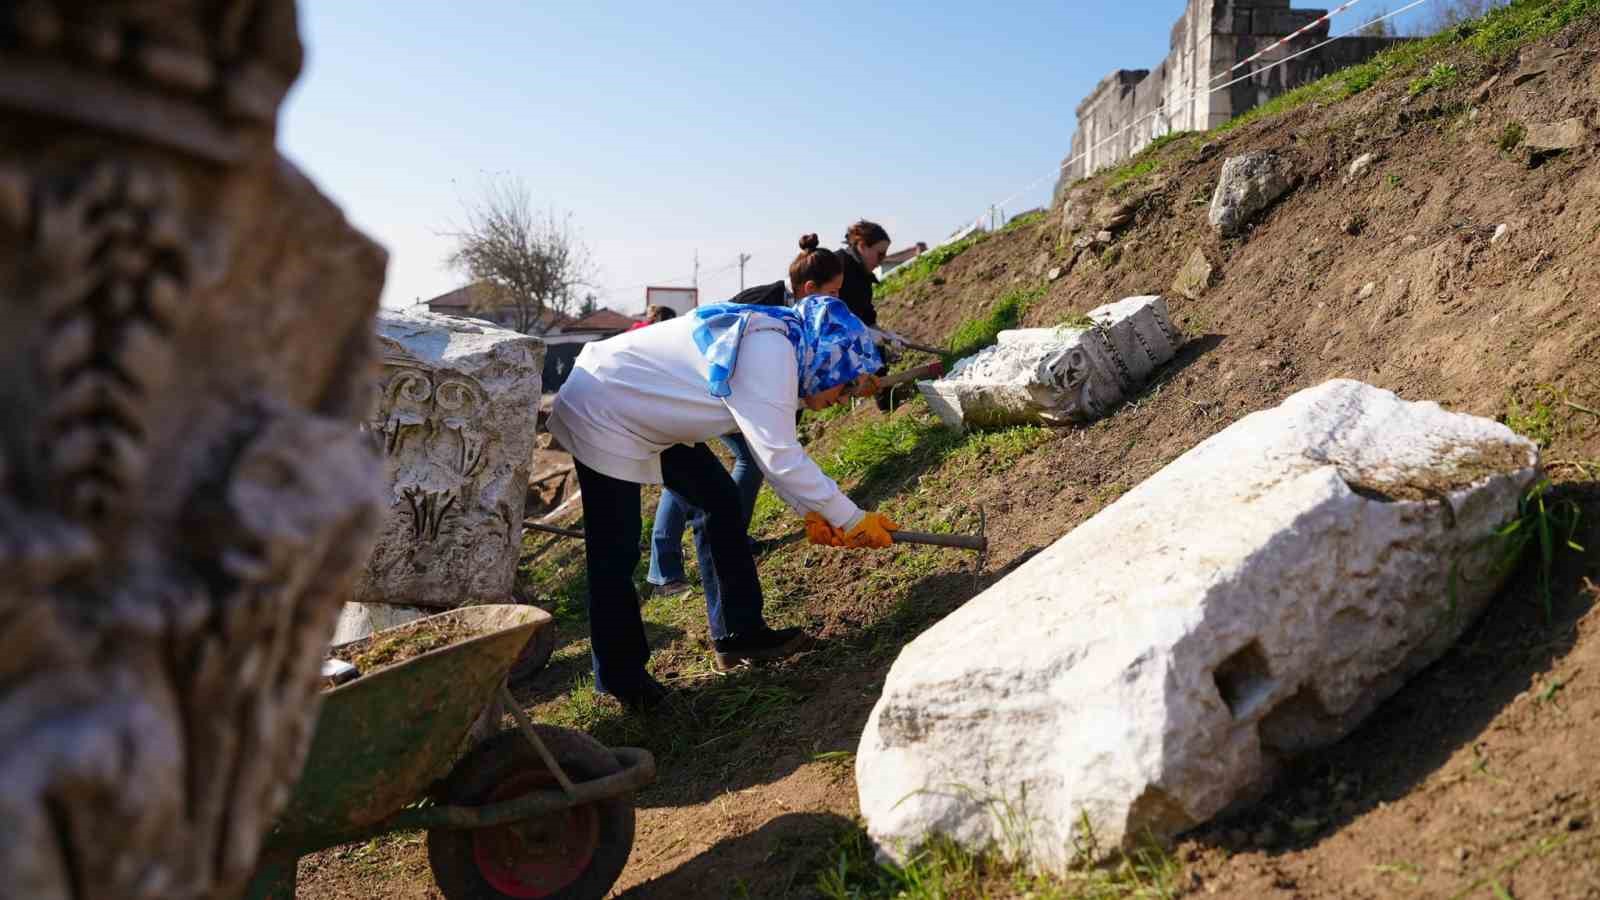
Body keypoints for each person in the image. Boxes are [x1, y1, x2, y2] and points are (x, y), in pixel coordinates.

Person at [546, 238, 898, 710]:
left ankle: (739, 633)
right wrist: (853, 519)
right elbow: (781, 456)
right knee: (615, 548)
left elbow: (767, 451)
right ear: (827, 359)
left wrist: (814, 513)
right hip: (603, 404)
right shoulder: (771, 354)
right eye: (844, 384)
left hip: (649, 409)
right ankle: (623, 680)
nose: (841, 398)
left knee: (718, 500)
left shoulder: (787, 344)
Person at [835, 220, 899, 411]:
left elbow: (868, 319)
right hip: (830, 339)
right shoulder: (838, 265)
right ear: (862, 246)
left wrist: (888, 335)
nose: (882, 260)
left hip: (853, 338)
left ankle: (889, 408)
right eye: (880, 254)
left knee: (877, 355)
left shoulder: (863, 278)